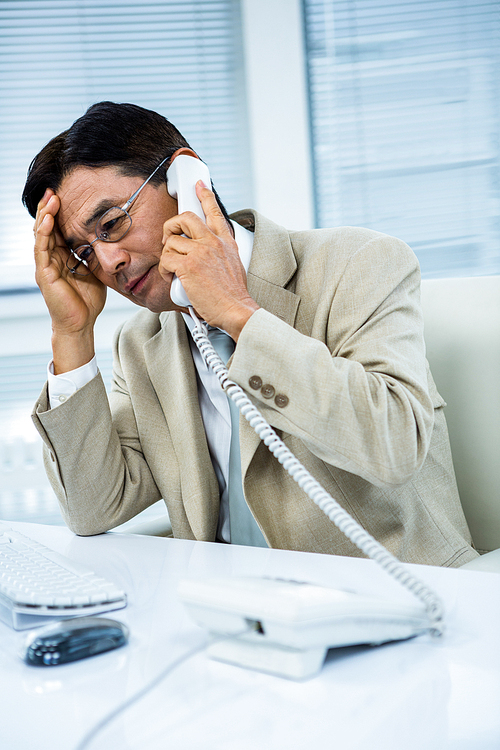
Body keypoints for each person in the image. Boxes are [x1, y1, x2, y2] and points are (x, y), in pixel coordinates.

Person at [23, 101, 477, 566]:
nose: (109, 262)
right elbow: (93, 507)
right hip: (234, 612)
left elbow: (395, 446)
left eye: (112, 223)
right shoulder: (140, 343)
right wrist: (71, 332)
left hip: (396, 599)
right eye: (84, 254)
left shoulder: (360, 263)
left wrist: (238, 314)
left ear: (185, 181)